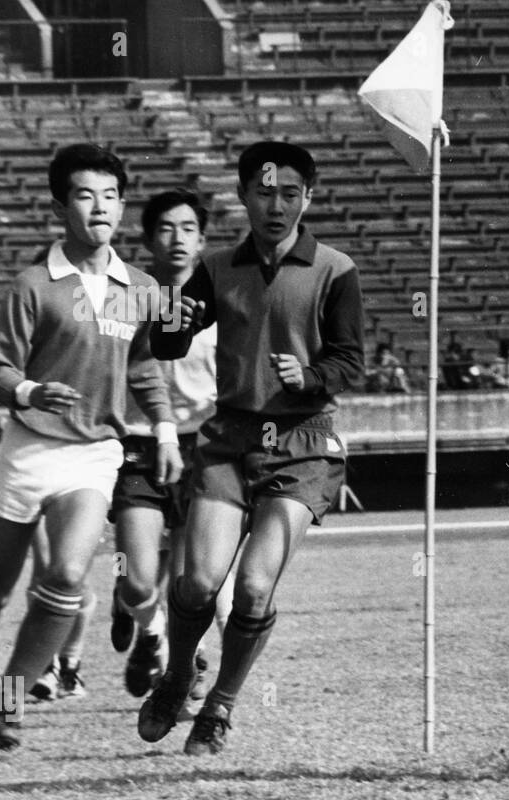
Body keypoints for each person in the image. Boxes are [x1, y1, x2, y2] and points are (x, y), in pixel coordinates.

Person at [0, 143, 180, 749]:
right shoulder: (34, 284)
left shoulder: (141, 288)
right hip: (28, 451)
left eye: (110, 195)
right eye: (85, 194)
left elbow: (143, 368)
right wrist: (29, 390)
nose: (99, 206)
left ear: (123, 206)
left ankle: (6, 703)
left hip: (95, 453)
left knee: (68, 575)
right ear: (61, 207)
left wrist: (163, 429)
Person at [144, 141, 364, 756]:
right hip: (229, 440)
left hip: (304, 442)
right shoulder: (217, 267)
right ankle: (178, 673)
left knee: (254, 588)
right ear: (242, 195)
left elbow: (351, 360)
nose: (277, 204)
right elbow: (168, 345)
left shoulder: (336, 270)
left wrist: (312, 376)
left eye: (290, 193)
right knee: (196, 584)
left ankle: (219, 708)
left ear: (308, 197)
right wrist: (169, 315)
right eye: (264, 192)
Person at [109, 190, 230, 704]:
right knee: (138, 581)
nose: (177, 239)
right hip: (140, 444)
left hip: (203, 447)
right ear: (147, 239)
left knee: (191, 582)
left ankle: (188, 664)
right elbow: (107, 368)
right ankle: (149, 629)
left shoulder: (225, 304)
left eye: (187, 229)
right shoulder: (125, 300)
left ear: (202, 240)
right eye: (165, 228)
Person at [0, 384, 96, 702]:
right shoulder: (28, 349)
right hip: (30, 465)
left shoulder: (86, 352)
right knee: (44, 572)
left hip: (83, 467)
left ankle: (70, 662)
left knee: (74, 578)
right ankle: (48, 668)